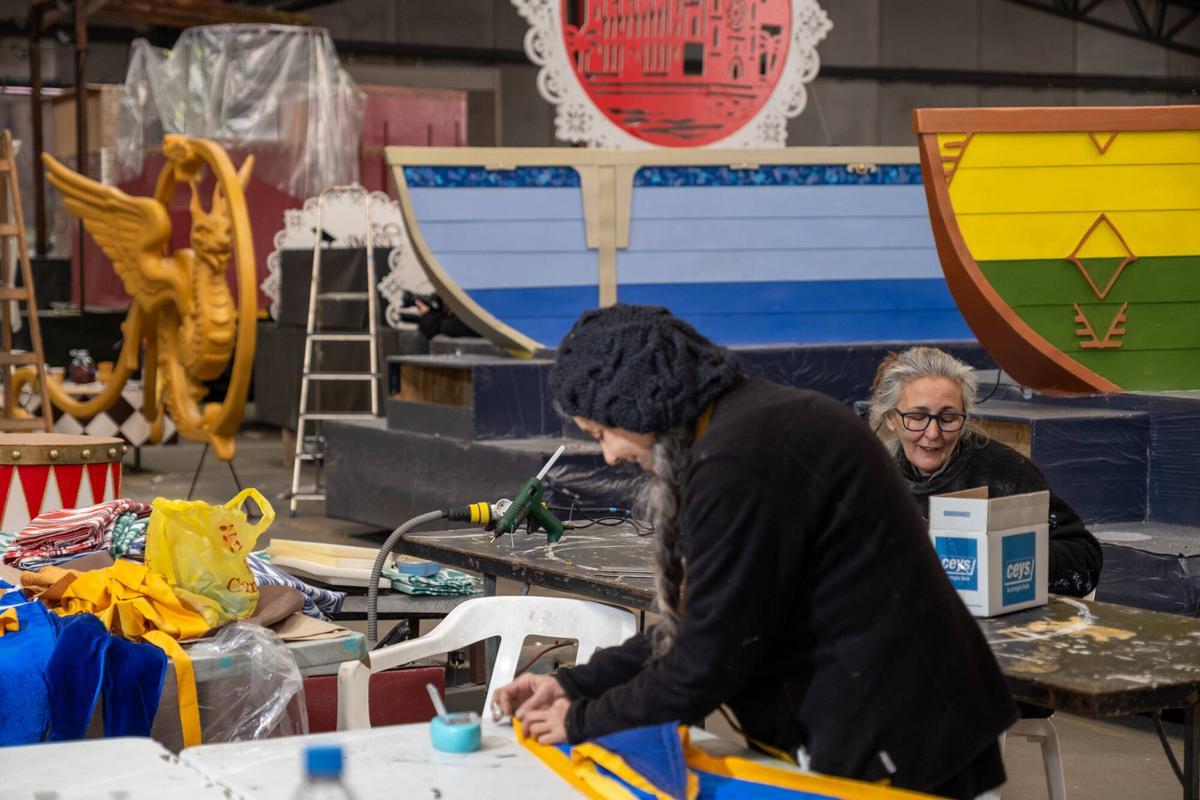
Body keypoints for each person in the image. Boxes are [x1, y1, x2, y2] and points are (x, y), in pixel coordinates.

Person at [495, 304, 1016, 799]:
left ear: (640, 406)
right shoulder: (756, 420)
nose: (610, 455)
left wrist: (580, 719)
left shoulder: (739, 460)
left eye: (604, 431)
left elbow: (707, 660)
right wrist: (574, 685)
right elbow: (707, 626)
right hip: (906, 725)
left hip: (909, 751)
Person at [867, 347, 1103, 598]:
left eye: (948, 418)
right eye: (917, 417)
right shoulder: (875, 478)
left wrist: (1005, 557)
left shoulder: (1006, 474)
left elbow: (1084, 561)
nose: (933, 433)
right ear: (891, 418)